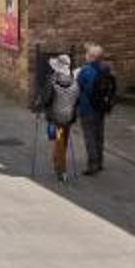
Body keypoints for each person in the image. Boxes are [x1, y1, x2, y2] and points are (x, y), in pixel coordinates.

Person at [31, 49, 78, 181]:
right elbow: (76, 99)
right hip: (68, 117)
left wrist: (38, 107)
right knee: (62, 141)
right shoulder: (74, 82)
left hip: (56, 118)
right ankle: (57, 161)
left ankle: (61, 170)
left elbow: (46, 98)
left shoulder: (52, 81)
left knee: (59, 141)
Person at [73, 43, 119, 176]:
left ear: (91, 57)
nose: (85, 56)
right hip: (101, 107)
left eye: (87, 54)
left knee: (90, 137)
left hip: (87, 108)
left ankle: (92, 164)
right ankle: (99, 162)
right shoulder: (106, 69)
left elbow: (77, 87)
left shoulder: (85, 71)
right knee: (99, 135)